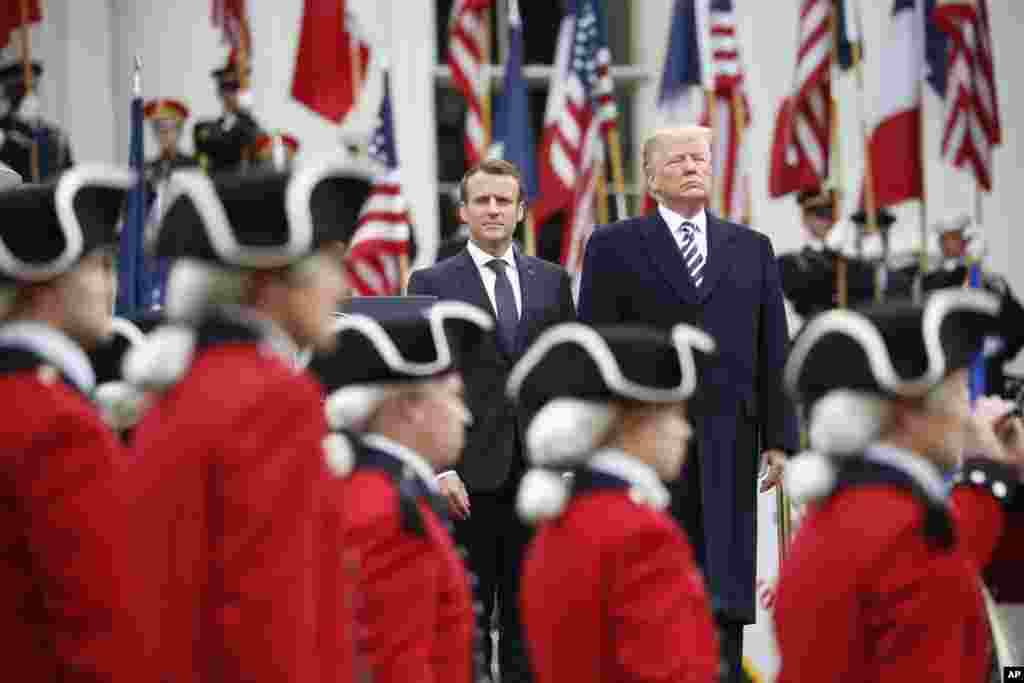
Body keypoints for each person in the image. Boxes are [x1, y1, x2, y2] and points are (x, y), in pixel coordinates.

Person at [121, 161, 373, 682]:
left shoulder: (189, 385)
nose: (344, 288)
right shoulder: (274, 397)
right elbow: (273, 612)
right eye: (329, 264)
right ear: (270, 282)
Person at [576, 125, 798, 681]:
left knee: (725, 580)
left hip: (732, 439)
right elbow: (594, 348)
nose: (693, 167)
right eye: (678, 160)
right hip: (647, 442)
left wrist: (780, 438)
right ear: (650, 178)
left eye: (701, 157)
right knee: (656, 577)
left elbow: (775, 348)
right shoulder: (613, 245)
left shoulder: (751, 248)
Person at [776, 288, 1018, 681]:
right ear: (909, 412)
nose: (967, 412)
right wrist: (990, 472)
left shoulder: (849, 510)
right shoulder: (904, 530)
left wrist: (990, 472)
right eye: (958, 390)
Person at [406, 158, 575, 682]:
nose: (494, 209)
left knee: (533, 621)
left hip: (538, 479)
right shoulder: (432, 280)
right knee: (466, 624)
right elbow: (423, 380)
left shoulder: (552, 281)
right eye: (483, 200)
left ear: (521, 211)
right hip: (465, 481)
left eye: (504, 200)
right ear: (464, 211)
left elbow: (566, 374)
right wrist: (439, 468)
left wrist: (568, 464)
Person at [511, 322, 721, 683]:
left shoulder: (562, 522)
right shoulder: (641, 535)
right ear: (635, 422)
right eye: (675, 414)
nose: (686, 431)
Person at [0, 163, 137, 679]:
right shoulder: (60, 425)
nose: (111, 283)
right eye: (97, 265)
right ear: (45, 285)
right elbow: (99, 626)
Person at [312, 301, 492, 683]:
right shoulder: (386, 511)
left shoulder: (392, 493)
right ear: (411, 406)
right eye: (452, 396)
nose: (465, 414)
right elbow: (396, 665)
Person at [922, 214, 1024, 397]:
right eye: (945, 239)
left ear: (965, 241)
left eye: (954, 238)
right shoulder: (929, 282)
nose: (948, 244)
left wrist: (1000, 345)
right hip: (945, 377)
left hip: (984, 376)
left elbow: (1016, 323)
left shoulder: (992, 282)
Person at [777, 187, 875, 319]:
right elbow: (808, 287)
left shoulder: (852, 258)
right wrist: (830, 250)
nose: (828, 220)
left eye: (832, 213)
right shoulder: (789, 262)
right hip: (820, 333)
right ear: (805, 218)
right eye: (820, 214)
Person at [0, 59, 73, 182]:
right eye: (21, 90)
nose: (30, 95)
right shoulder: (3, 133)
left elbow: (68, 177)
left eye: (34, 88)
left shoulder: (55, 136)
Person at [193, 53, 264, 175]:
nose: (230, 94)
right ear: (219, 91)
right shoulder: (204, 129)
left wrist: (244, 114)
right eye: (225, 87)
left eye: (235, 87)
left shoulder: (252, 129)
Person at [143, 97, 197, 185]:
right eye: (158, 129)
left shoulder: (192, 165)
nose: (164, 135)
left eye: (169, 129)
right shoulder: (147, 168)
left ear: (179, 131)